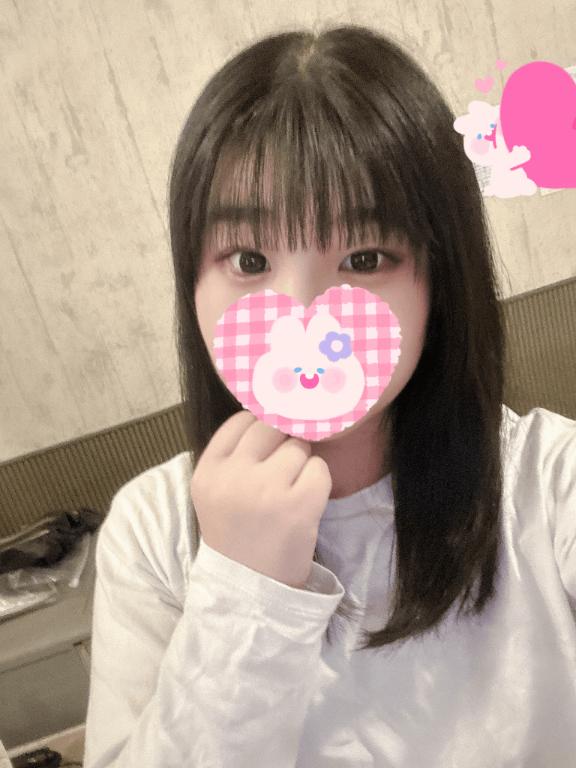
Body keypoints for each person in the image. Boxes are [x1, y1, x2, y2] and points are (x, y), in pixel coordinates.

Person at [83, 23, 576, 768]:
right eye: (249, 259)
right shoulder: (152, 531)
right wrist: (242, 589)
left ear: (439, 280)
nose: (302, 312)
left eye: (365, 257)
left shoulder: (548, 484)